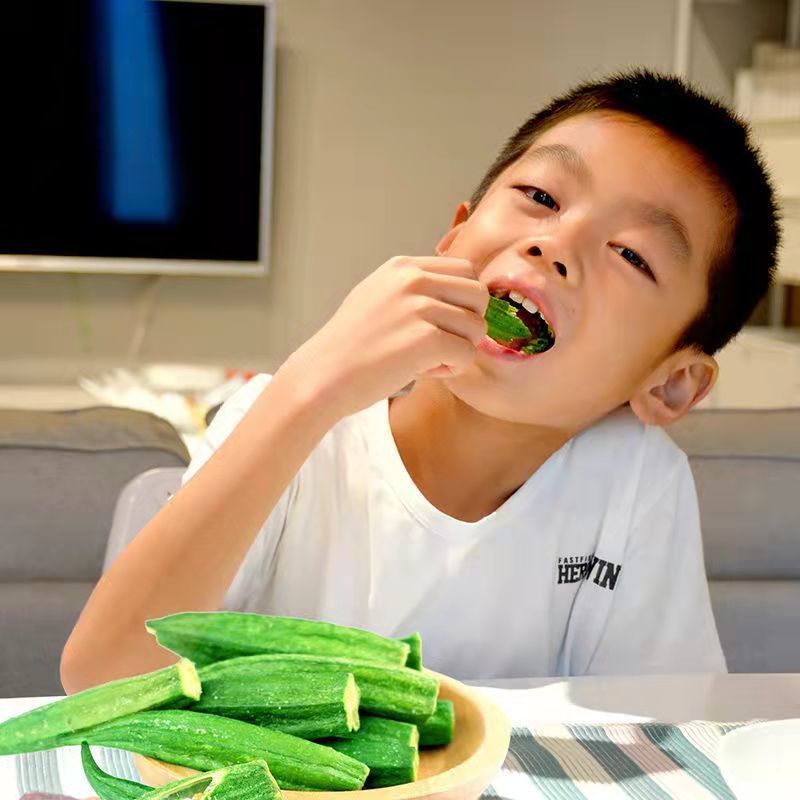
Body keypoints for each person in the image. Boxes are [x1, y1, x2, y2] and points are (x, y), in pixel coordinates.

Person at [61, 69, 779, 692]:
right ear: (455, 237)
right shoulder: (294, 421)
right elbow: (101, 674)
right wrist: (314, 384)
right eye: (540, 196)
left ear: (673, 384)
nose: (555, 244)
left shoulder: (633, 482)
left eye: (631, 253)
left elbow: (660, 724)